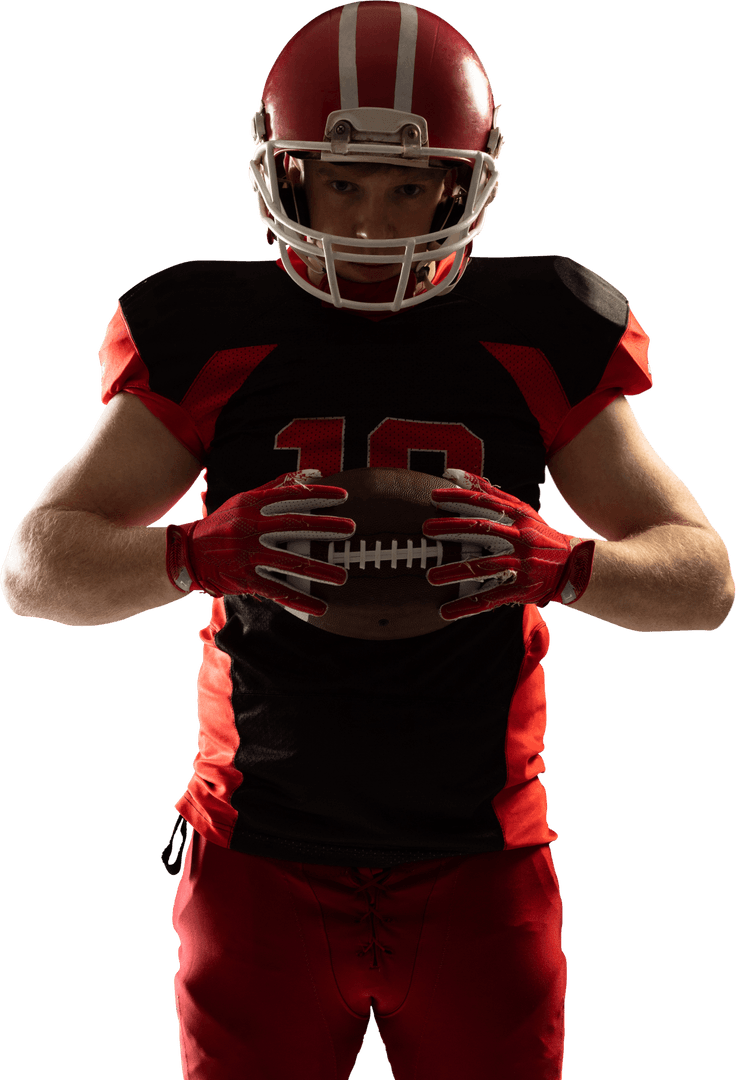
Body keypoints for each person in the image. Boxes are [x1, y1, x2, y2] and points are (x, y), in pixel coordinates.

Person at [1, 2, 733, 1078]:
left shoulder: (539, 324)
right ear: (285, 174)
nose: (373, 227)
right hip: (258, 855)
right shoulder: (210, 329)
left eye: (406, 187)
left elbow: (703, 578)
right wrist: (194, 553)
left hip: (480, 859)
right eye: (341, 184)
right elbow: (33, 569)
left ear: (462, 180)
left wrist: (563, 567)